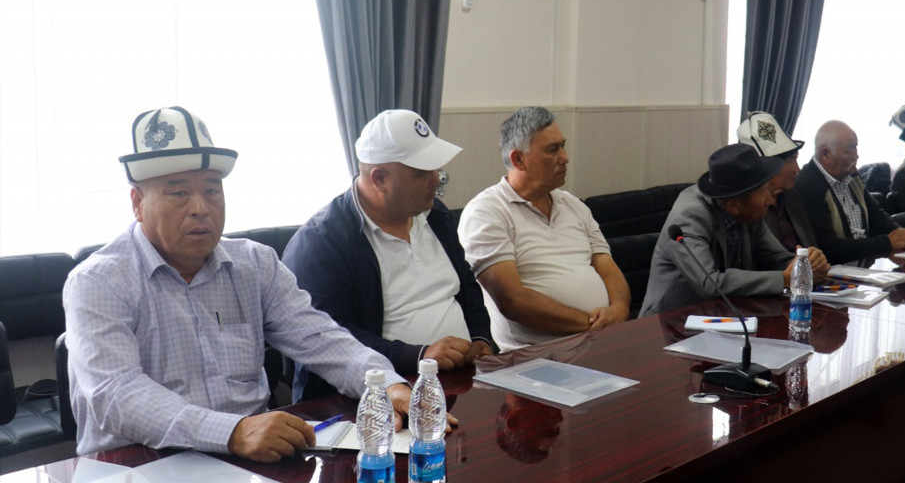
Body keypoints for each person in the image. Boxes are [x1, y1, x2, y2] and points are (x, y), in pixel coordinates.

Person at [63, 107, 433, 461]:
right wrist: (232, 432)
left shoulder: (254, 264)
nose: (200, 207)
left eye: (212, 190)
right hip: (137, 464)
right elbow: (117, 394)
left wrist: (386, 384)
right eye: (178, 193)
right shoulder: (98, 281)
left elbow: (320, 337)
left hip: (250, 460)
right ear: (138, 202)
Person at [284, 110, 496, 402]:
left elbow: (467, 287)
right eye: (422, 173)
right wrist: (419, 355)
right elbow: (326, 339)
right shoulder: (321, 242)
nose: (436, 180)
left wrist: (481, 338)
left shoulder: (434, 216)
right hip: (373, 396)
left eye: (436, 169)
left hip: (458, 382)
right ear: (380, 179)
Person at [458, 107, 630, 350]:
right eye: (552, 150)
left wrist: (619, 310)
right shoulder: (486, 212)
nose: (565, 157)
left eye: (563, 146)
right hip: (535, 355)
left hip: (597, 343)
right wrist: (592, 324)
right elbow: (512, 301)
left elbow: (609, 269)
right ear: (518, 160)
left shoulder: (573, 205)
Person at [640, 144, 830, 315]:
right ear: (734, 206)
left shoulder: (749, 212)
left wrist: (806, 264)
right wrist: (785, 279)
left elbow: (777, 258)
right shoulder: (690, 216)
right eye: (765, 192)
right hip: (668, 322)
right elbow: (709, 283)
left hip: (726, 314)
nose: (771, 200)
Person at [793, 120, 905, 264]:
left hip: (862, 267)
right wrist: (887, 242)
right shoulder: (808, 185)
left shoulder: (851, 175)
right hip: (834, 273)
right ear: (826, 154)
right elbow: (828, 247)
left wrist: (904, 234)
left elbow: (875, 215)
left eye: (856, 149)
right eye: (849, 151)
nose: (856, 156)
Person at [737, 111, 816, 251]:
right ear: (769, 167)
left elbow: (811, 245)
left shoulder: (793, 198)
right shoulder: (749, 208)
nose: (797, 169)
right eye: (791, 160)